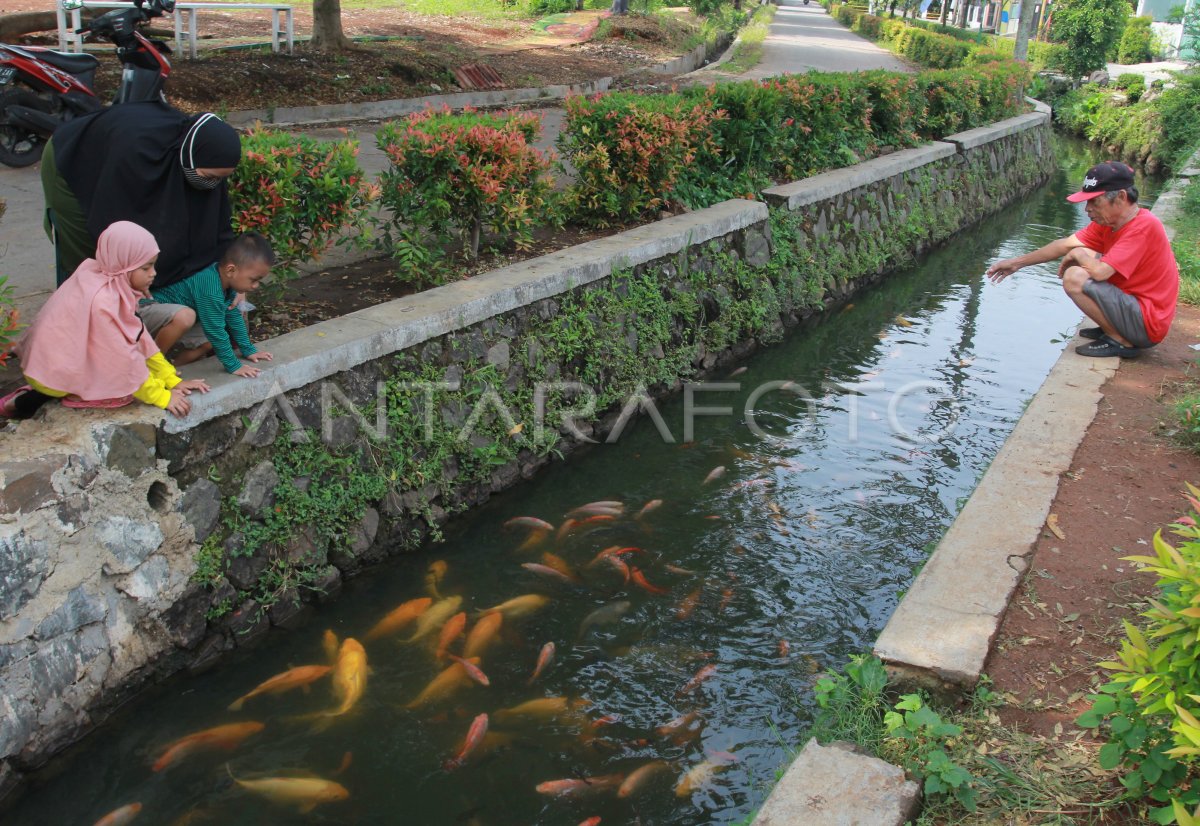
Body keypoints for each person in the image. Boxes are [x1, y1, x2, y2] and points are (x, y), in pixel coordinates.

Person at [0, 222, 209, 420]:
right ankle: (54, 395)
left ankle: (27, 398)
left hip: (47, 367)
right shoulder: (105, 300)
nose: (153, 273)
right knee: (122, 391)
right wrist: (162, 396)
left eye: (153, 266)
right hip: (52, 373)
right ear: (123, 265)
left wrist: (172, 380)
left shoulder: (97, 273)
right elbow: (124, 359)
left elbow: (139, 337)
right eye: (145, 268)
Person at [986, 161, 1179, 358]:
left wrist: (1079, 254)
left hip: (1147, 324)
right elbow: (1064, 244)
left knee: (1075, 277)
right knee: (1086, 263)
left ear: (1121, 197)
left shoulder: (1142, 227)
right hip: (1134, 309)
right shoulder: (1109, 223)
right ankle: (1113, 329)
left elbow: (1100, 272)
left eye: (1095, 201)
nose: (1088, 209)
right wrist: (1016, 263)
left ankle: (1120, 341)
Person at [42, 101, 241, 288]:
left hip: (116, 150)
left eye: (220, 179)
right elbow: (112, 222)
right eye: (209, 176)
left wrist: (233, 279)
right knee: (95, 258)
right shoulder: (137, 154)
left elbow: (217, 227)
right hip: (72, 160)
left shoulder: (201, 156)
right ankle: (85, 311)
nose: (213, 184)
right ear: (189, 157)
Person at [138, 232, 275, 378]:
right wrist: (233, 365)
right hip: (148, 309)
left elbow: (233, 315)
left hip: (175, 317)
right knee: (192, 321)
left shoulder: (226, 283)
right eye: (254, 279)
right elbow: (215, 329)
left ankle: (173, 370)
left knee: (208, 342)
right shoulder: (210, 288)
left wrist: (249, 350)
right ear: (231, 270)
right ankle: (153, 364)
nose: (256, 286)